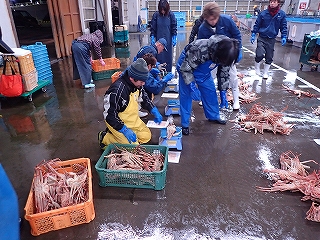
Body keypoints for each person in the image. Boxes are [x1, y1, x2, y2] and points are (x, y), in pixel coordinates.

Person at [176, 35, 239, 135]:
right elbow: (186, 69)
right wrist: (192, 87)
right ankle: (185, 124)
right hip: (186, 67)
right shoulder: (199, 49)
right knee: (186, 95)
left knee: (210, 92)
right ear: (219, 54)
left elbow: (223, 73)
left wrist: (223, 92)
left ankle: (213, 116)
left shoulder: (226, 54)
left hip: (203, 73)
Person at [98, 58, 163, 150]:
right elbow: (109, 115)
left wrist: (153, 109)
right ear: (132, 78)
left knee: (146, 136)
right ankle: (105, 138)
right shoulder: (117, 90)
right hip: (117, 122)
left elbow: (144, 98)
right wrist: (123, 129)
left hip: (132, 120)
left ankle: (124, 139)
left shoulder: (138, 85)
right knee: (132, 148)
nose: (143, 84)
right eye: (141, 81)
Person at [197, 2, 242, 110]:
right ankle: (207, 99)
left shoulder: (227, 21)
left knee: (232, 77)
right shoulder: (202, 29)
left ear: (218, 16)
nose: (212, 22)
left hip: (228, 55)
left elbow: (237, 35)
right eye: (210, 19)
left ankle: (236, 101)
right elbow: (201, 45)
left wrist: (237, 50)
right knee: (209, 78)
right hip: (212, 58)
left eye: (214, 19)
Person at [251, 0, 287, 79]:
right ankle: (257, 68)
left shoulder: (281, 14)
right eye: (271, 2)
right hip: (262, 37)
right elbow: (257, 24)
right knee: (259, 54)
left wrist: (284, 36)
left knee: (269, 56)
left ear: (278, 3)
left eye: (274, 2)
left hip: (271, 39)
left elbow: (283, 26)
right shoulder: (263, 13)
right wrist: (253, 33)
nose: (272, 3)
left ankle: (265, 72)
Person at [150, 0, 177, 73]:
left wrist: (174, 36)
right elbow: (153, 27)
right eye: (161, 10)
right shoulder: (156, 15)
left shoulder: (171, 15)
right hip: (158, 39)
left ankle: (168, 72)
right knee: (159, 55)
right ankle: (159, 72)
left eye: (164, 10)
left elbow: (174, 26)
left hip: (168, 40)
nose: (163, 12)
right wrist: (152, 36)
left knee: (168, 56)